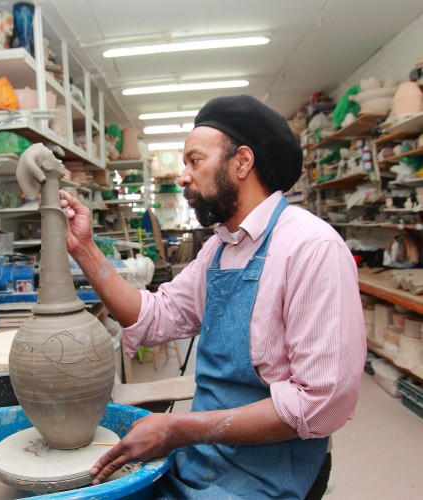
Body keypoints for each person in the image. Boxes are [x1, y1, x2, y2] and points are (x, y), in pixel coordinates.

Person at [59, 94, 367, 499]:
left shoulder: (310, 248)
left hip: (270, 469)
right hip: (205, 453)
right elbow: (157, 316)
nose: (183, 176)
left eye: (194, 160)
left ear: (241, 161)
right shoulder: (220, 248)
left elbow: (323, 402)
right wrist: (84, 249)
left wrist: (179, 429)